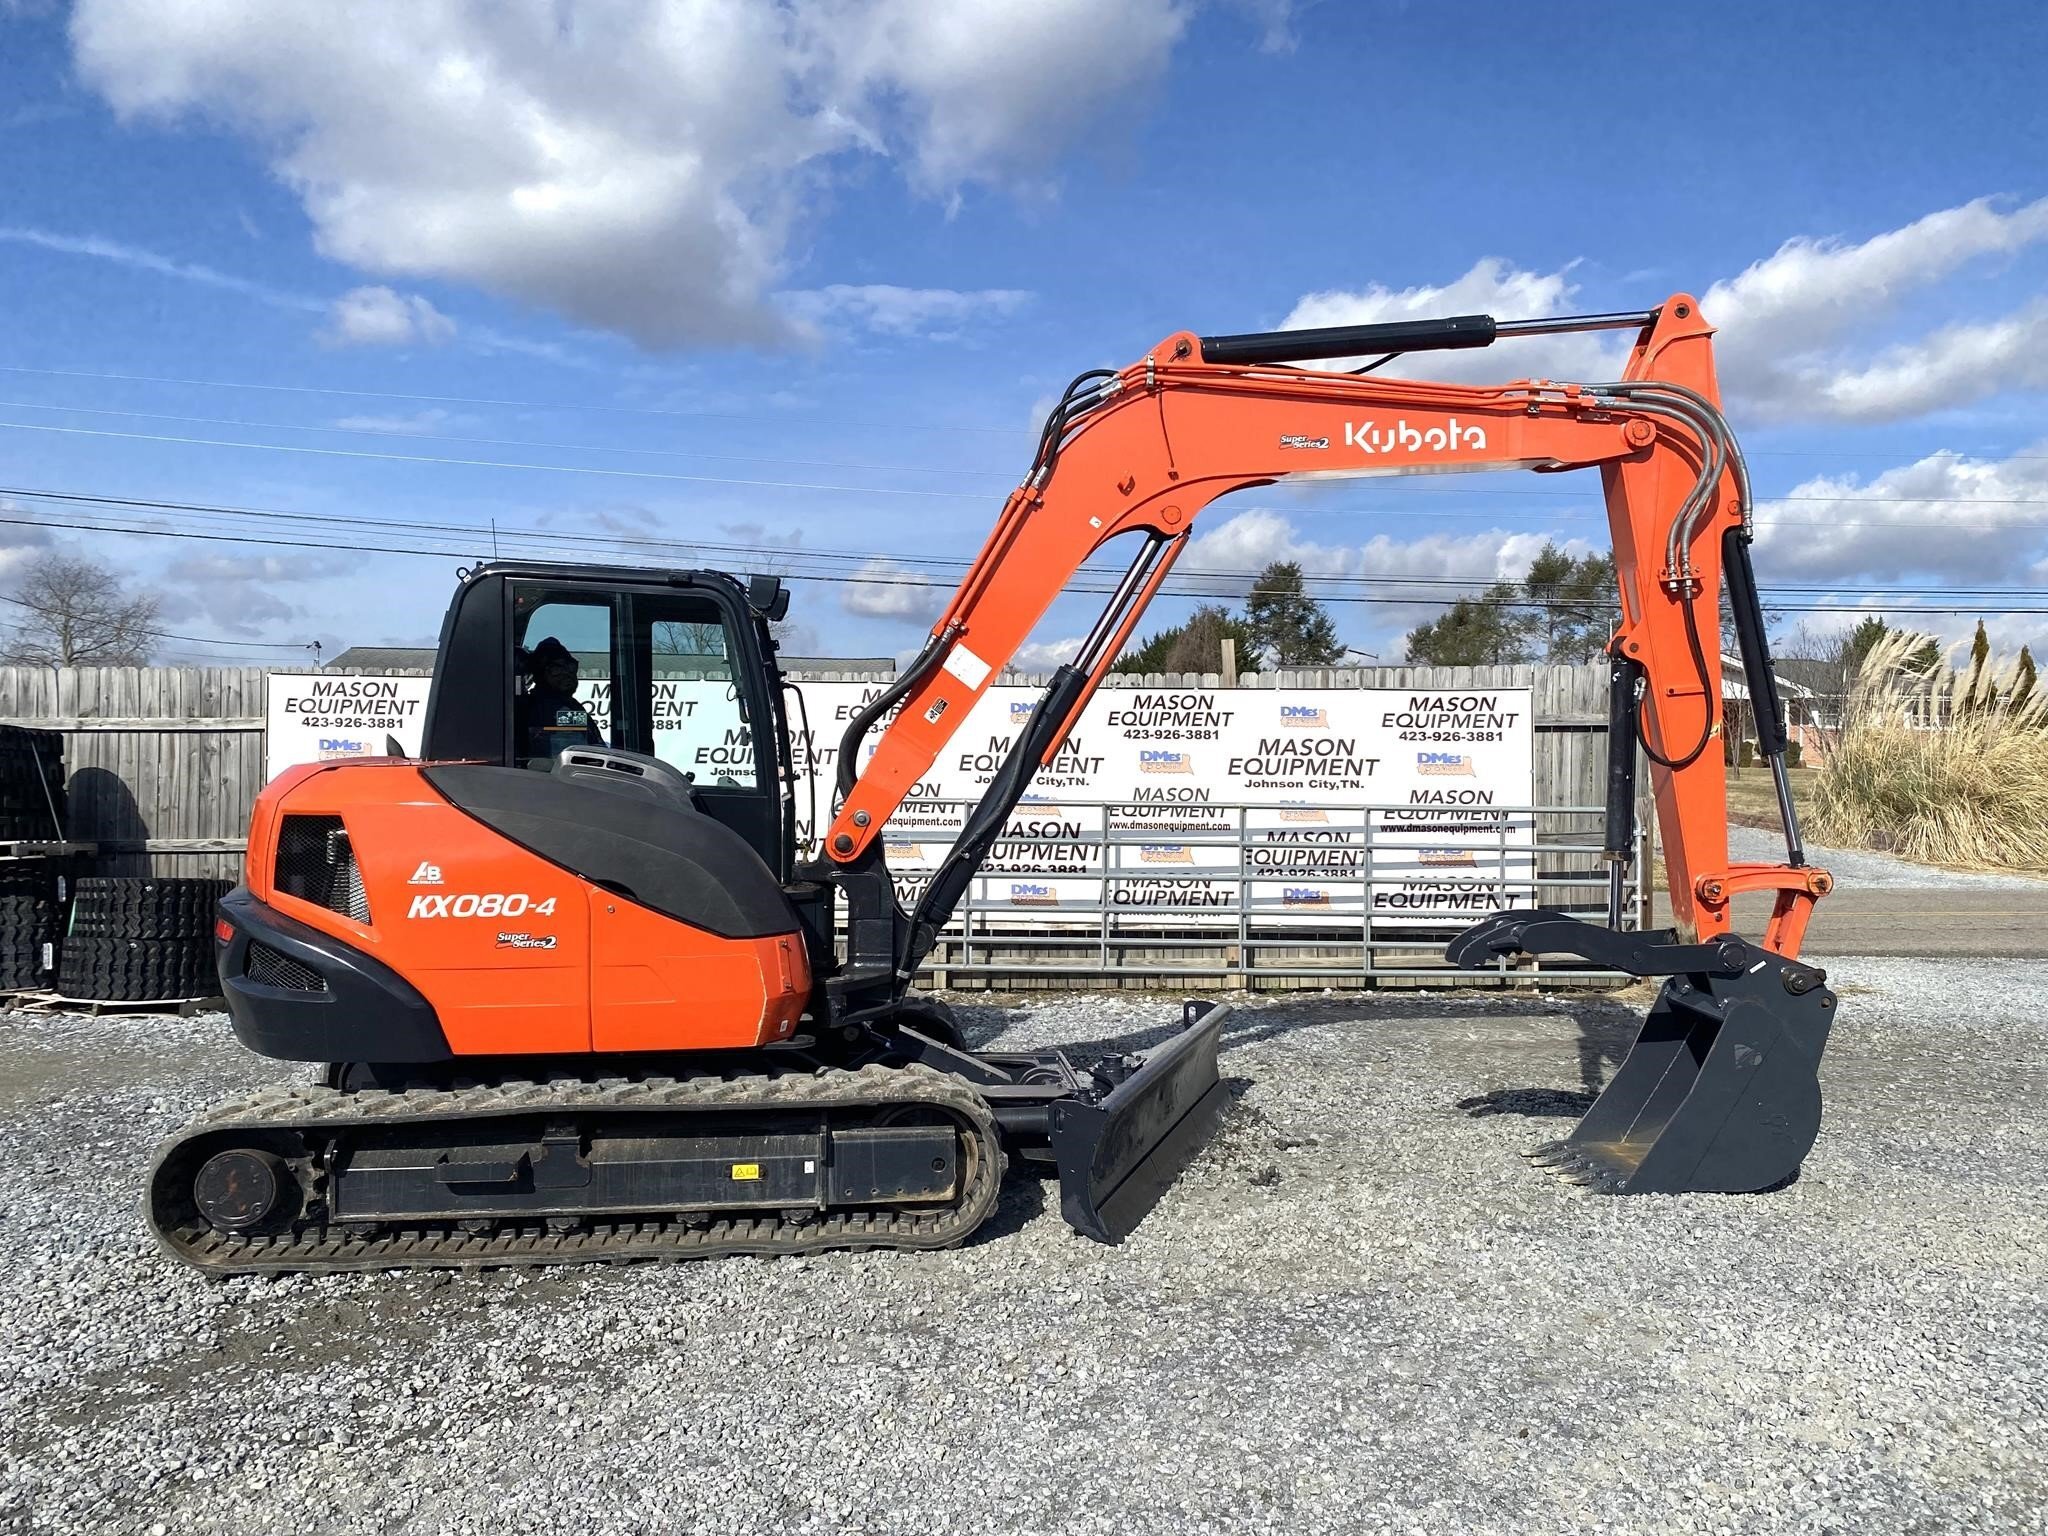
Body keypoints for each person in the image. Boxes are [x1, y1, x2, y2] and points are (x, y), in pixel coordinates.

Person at [517, 635, 603, 765]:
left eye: (571, 667)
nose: (567, 673)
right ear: (540, 673)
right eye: (557, 669)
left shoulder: (569, 705)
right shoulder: (559, 710)